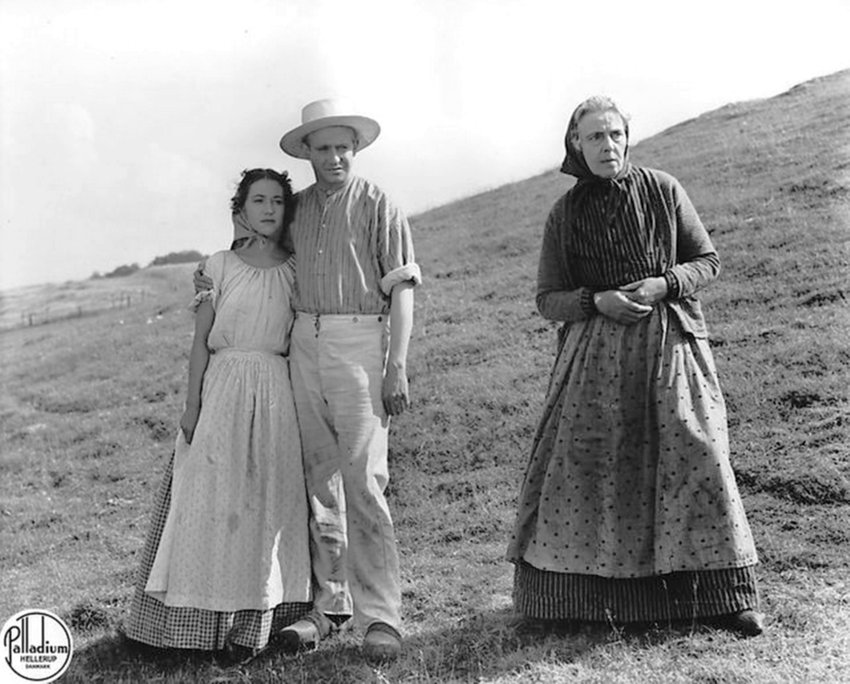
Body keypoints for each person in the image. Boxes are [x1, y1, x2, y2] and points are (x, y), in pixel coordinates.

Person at [506, 96, 764, 636]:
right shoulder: (564, 214)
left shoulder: (664, 189)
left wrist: (664, 283)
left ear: (629, 136)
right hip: (594, 357)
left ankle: (725, 596)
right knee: (585, 468)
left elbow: (707, 260)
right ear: (575, 143)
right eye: (595, 137)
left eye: (616, 135)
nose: (608, 146)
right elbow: (547, 297)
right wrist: (594, 301)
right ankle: (569, 604)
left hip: (668, 341)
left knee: (697, 451)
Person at [195, 99, 421, 662]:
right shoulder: (296, 208)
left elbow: (403, 290)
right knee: (319, 481)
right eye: (323, 148)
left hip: (359, 341)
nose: (335, 156)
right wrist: (215, 263)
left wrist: (396, 364)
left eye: (343, 146)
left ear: (356, 149)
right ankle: (329, 606)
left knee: (364, 480)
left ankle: (382, 618)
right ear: (309, 153)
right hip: (302, 342)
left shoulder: (379, 204)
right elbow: (258, 234)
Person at [124, 169, 312, 662]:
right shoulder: (219, 266)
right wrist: (191, 405)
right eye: (258, 201)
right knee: (210, 501)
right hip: (223, 389)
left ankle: (254, 630)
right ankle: (189, 631)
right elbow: (200, 344)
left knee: (265, 506)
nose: (269, 209)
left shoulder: (297, 270)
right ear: (241, 209)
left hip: (276, 392)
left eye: (277, 201)